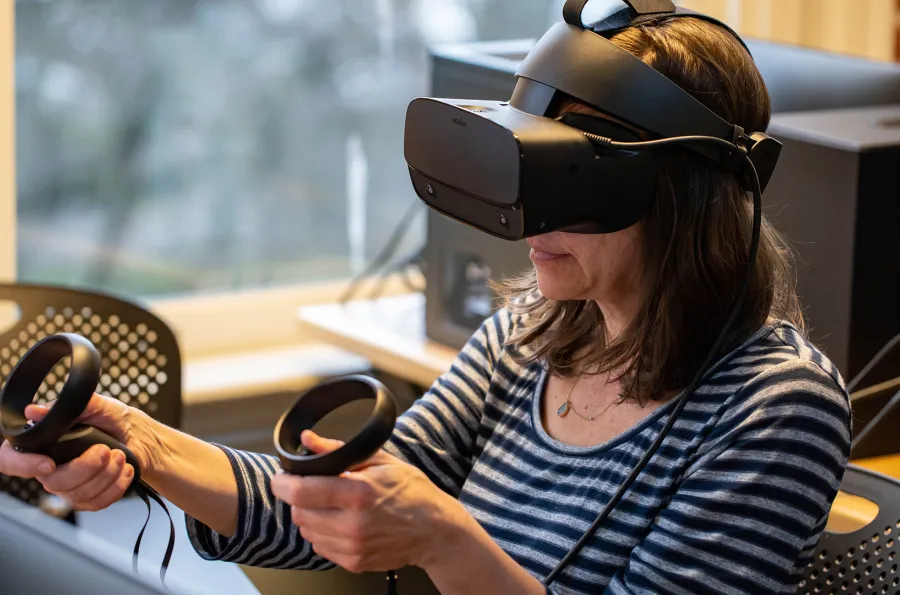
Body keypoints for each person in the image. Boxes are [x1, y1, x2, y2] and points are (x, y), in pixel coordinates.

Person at [0, 15, 850, 595]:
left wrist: (442, 539)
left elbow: (423, 527)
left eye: (564, 181)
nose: (527, 220)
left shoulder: (775, 405)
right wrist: (142, 445)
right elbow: (326, 512)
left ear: (688, 194)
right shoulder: (525, 340)